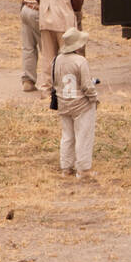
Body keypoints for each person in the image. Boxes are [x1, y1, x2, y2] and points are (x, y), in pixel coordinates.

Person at [52, 27, 100, 181]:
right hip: (81, 104)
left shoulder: (57, 59)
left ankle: (66, 167)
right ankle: (84, 169)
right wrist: (94, 98)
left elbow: (55, 81)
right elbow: (86, 85)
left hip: (64, 102)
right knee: (83, 136)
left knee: (67, 136)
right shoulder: (80, 61)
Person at [36, 0, 82, 95]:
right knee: (68, 56)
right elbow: (77, 2)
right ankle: (67, 88)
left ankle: (45, 89)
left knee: (48, 56)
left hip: (46, 18)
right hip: (64, 21)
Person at [19, 0, 53, 92]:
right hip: (38, 11)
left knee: (28, 47)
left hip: (25, 10)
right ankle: (49, 82)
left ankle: (28, 80)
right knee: (47, 48)